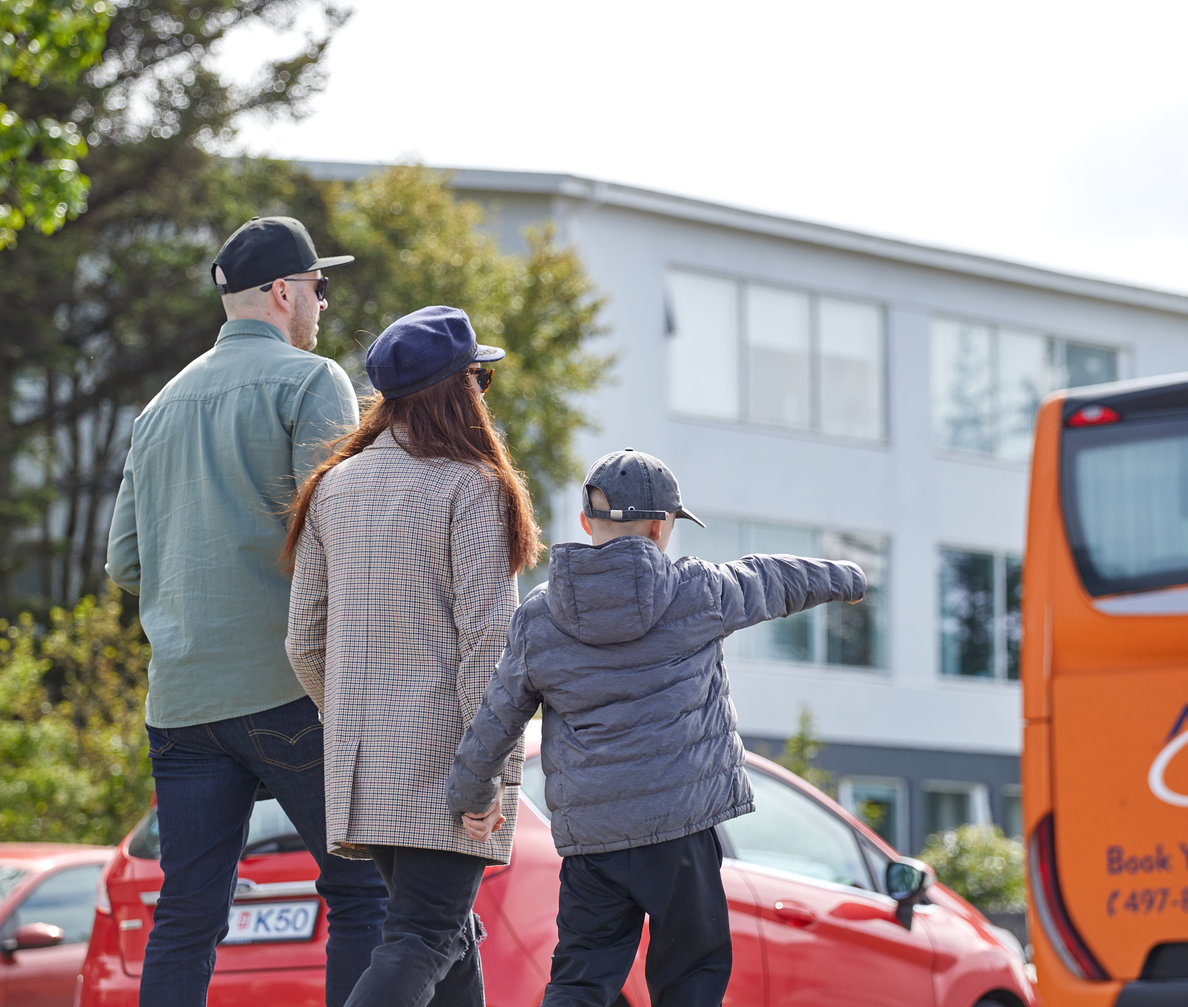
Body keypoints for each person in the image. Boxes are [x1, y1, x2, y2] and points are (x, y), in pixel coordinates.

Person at [446, 448, 867, 1007]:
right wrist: (848, 577)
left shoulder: (539, 617)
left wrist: (472, 797)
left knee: (579, 980)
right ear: (659, 527)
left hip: (593, 840)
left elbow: (496, 719)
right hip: (681, 833)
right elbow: (772, 578)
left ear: (586, 523)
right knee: (690, 975)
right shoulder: (698, 591)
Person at [105, 215, 387, 1007]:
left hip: (182, 703)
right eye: (319, 288)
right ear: (282, 293)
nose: (323, 304)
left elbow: (124, 564)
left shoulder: (158, 409)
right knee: (364, 892)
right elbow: (338, 540)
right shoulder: (313, 381)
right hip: (290, 689)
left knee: (187, 915)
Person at [284, 304, 542, 1007]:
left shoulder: (333, 486)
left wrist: (354, 716)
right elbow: (490, 652)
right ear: (460, 389)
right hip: (447, 766)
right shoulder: (472, 486)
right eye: (479, 379)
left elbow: (303, 639)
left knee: (447, 934)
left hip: (363, 769)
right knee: (425, 934)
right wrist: (487, 783)